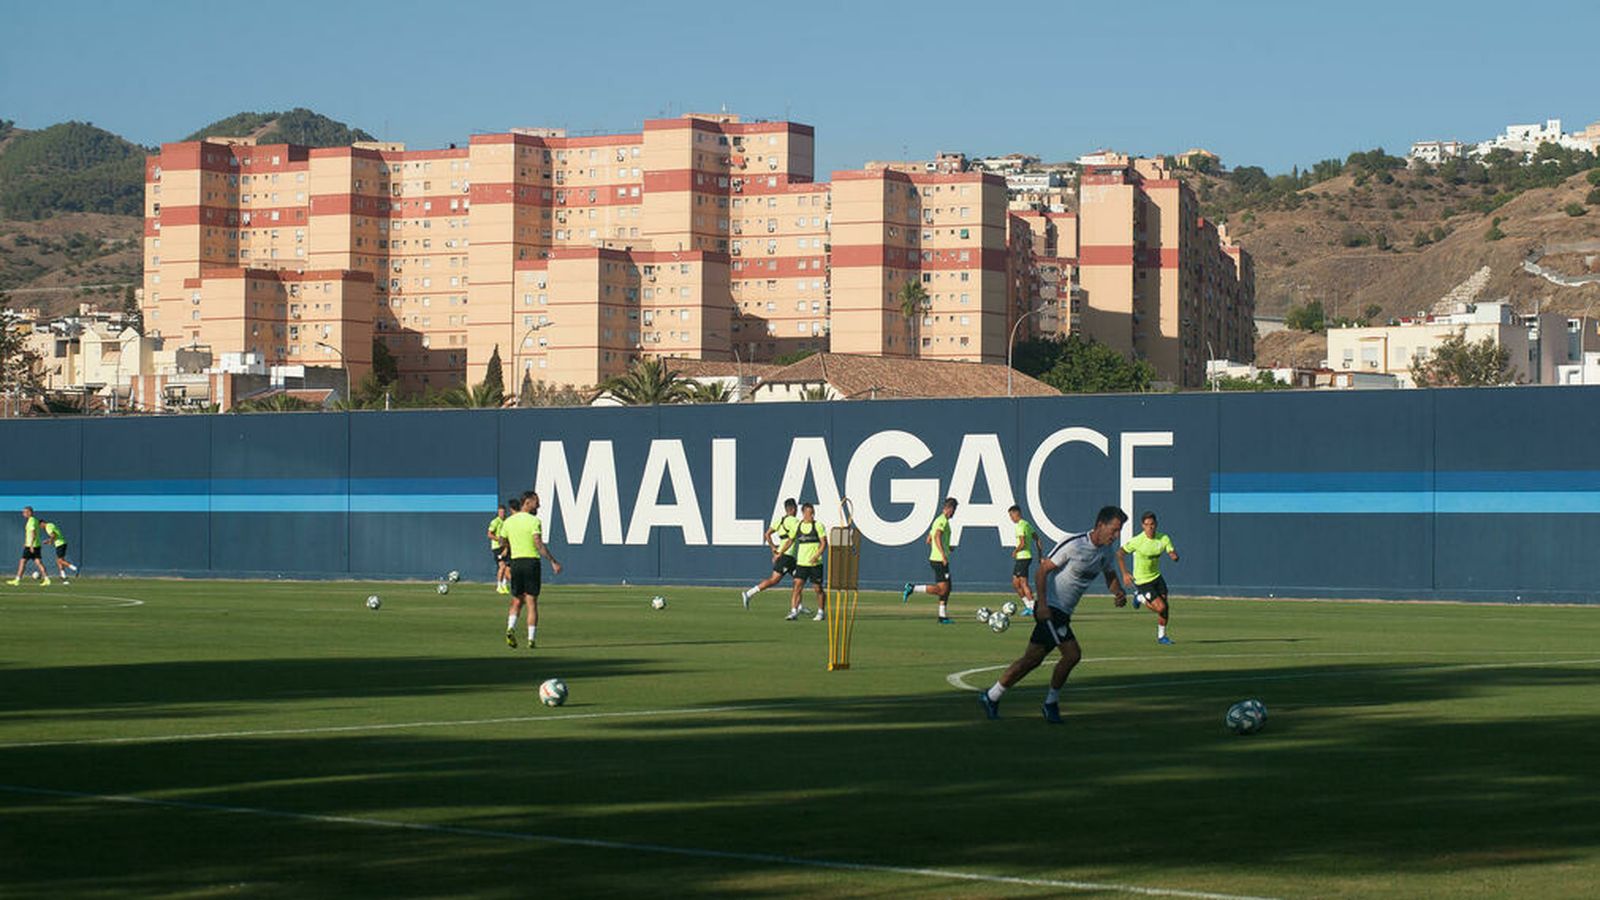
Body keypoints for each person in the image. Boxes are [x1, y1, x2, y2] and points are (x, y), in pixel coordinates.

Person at [978, 506, 1128, 724]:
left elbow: (1110, 576)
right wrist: (1043, 605)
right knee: (1072, 654)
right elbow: (1042, 570)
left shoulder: (1105, 553)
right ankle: (1050, 705)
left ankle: (991, 696)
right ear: (1100, 525)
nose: (1116, 536)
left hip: (1063, 612)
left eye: (1119, 531)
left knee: (1032, 659)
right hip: (1051, 608)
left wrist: (1118, 592)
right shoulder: (1075, 544)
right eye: (1113, 530)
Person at [498, 492, 562, 649]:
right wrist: (553, 561)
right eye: (536, 502)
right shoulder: (534, 521)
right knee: (531, 602)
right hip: (531, 562)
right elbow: (538, 544)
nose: (538, 506)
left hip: (516, 563)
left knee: (517, 600)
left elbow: (501, 540)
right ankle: (531, 639)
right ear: (527, 502)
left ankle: (510, 628)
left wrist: (508, 546)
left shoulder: (509, 521)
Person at [1119, 511, 1180, 644]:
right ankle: (1139, 597)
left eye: (1152, 524)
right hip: (1142, 580)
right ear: (1142, 526)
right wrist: (1125, 573)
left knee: (1165, 607)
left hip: (1156, 577)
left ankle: (1162, 636)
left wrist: (1173, 555)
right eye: (1146, 524)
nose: (1149, 527)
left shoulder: (1163, 538)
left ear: (1156, 524)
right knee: (1161, 607)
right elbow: (1120, 553)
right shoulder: (1138, 541)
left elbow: (1170, 550)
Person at [901, 497, 958, 624]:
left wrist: (948, 548)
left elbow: (929, 539)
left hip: (938, 558)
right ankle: (912, 588)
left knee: (947, 588)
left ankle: (942, 616)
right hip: (939, 560)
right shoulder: (942, 520)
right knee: (943, 589)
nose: (954, 513)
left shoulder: (938, 520)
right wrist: (943, 554)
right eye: (954, 510)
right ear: (950, 509)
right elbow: (937, 536)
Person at [738, 499, 799, 610]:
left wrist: (773, 549)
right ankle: (749, 594)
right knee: (774, 580)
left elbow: (767, 534)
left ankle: (798, 606)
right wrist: (779, 553)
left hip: (786, 556)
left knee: (799, 580)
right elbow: (791, 540)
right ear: (794, 509)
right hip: (786, 556)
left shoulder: (780, 520)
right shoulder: (794, 521)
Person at [777, 502, 828, 621]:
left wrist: (817, 555)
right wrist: (780, 552)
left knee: (818, 589)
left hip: (815, 564)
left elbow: (824, 544)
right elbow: (789, 541)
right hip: (801, 564)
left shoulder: (818, 526)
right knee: (797, 587)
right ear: (803, 513)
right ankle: (794, 611)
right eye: (809, 513)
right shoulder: (797, 526)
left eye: (812, 513)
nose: (811, 516)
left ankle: (821, 612)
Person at [1008, 505, 1042, 616]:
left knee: (1023, 583)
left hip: (1023, 557)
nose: (1011, 518)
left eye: (1011, 515)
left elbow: (1022, 543)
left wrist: (1015, 551)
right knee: (1016, 583)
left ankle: (1032, 607)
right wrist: (1039, 556)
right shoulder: (1027, 524)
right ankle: (1029, 605)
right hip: (1025, 558)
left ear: (1016, 514)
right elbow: (1038, 539)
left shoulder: (1020, 526)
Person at [9, 506, 50, 586]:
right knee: (38, 563)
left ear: (29, 512)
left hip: (31, 546)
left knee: (22, 562)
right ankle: (47, 579)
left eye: (24, 512)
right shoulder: (35, 520)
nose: (23, 514)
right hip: (36, 545)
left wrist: (30, 545)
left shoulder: (31, 521)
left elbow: (33, 533)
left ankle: (17, 580)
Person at [488, 501, 511, 594]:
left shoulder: (507, 521)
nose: (502, 514)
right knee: (502, 566)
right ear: (498, 513)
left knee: (508, 567)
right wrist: (499, 539)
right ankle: (498, 585)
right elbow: (489, 534)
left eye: (503, 512)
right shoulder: (495, 522)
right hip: (497, 547)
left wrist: (507, 546)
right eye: (500, 512)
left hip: (506, 547)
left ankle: (504, 585)